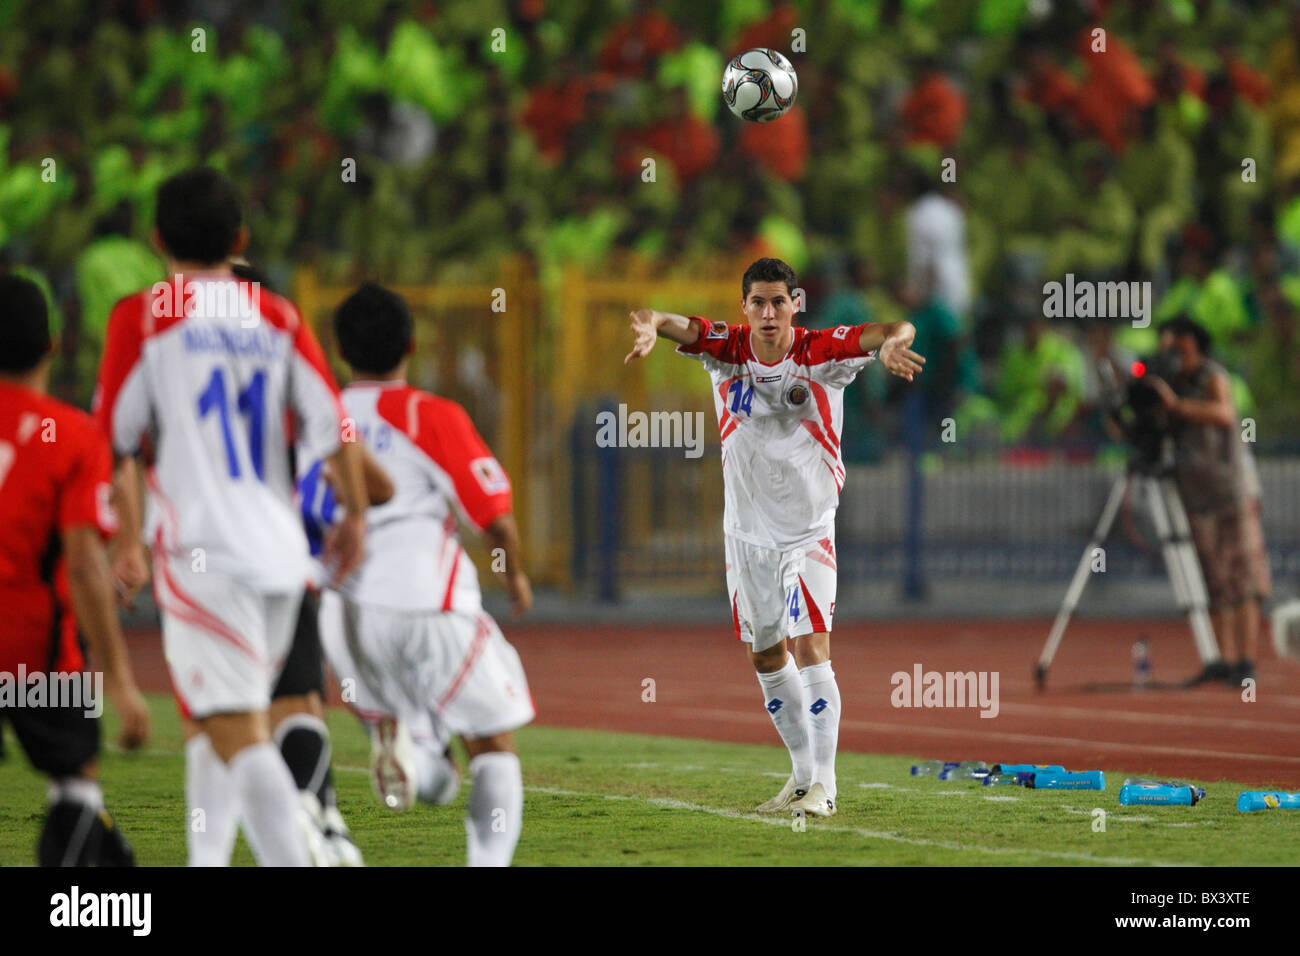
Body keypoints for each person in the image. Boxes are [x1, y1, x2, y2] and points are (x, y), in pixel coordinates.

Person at [94, 168, 369, 866]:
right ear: (240, 239)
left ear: (157, 238)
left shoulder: (144, 316)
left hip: (203, 553)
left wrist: (126, 541)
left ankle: (311, 852)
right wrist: (356, 521)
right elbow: (334, 429)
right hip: (283, 559)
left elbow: (114, 440)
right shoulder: (278, 316)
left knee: (238, 733)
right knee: (211, 724)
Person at [625, 257, 924, 817]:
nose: (768, 313)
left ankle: (827, 785)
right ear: (744, 307)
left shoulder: (821, 353)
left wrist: (890, 346)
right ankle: (801, 775)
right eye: (758, 302)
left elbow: (893, 328)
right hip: (745, 534)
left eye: (778, 302)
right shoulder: (726, 349)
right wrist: (646, 325)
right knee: (765, 656)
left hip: (809, 530)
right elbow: (664, 319)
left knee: (811, 645)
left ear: (796, 305)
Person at [318, 281, 535, 867]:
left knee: (436, 773)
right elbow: (493, 515)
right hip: (424, 600)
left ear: (340, 352)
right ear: (411, 343)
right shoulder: (427, 414)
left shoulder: (318, 416)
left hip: (342, 613)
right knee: (494, 746)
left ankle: (414, 741)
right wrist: (514, 575)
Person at [0, 273, 150, 865]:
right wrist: (119, 679)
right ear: (52, 347)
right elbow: (86, 568)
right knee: (75, 788)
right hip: (34, 651)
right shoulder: (74, 436)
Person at [1146, 316, 1271, 685]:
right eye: (1167, 346)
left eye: (1178, 345)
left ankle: (1246, 661)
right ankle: (1221, 660)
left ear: (1194, 342)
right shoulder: (1170, 385)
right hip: (1196, 496)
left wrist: (1177, 406)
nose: (1173, 353)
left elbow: (1224, 414)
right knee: (1213, 582)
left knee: (1244, 578)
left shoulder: (1212, 376)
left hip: (1231, 491)